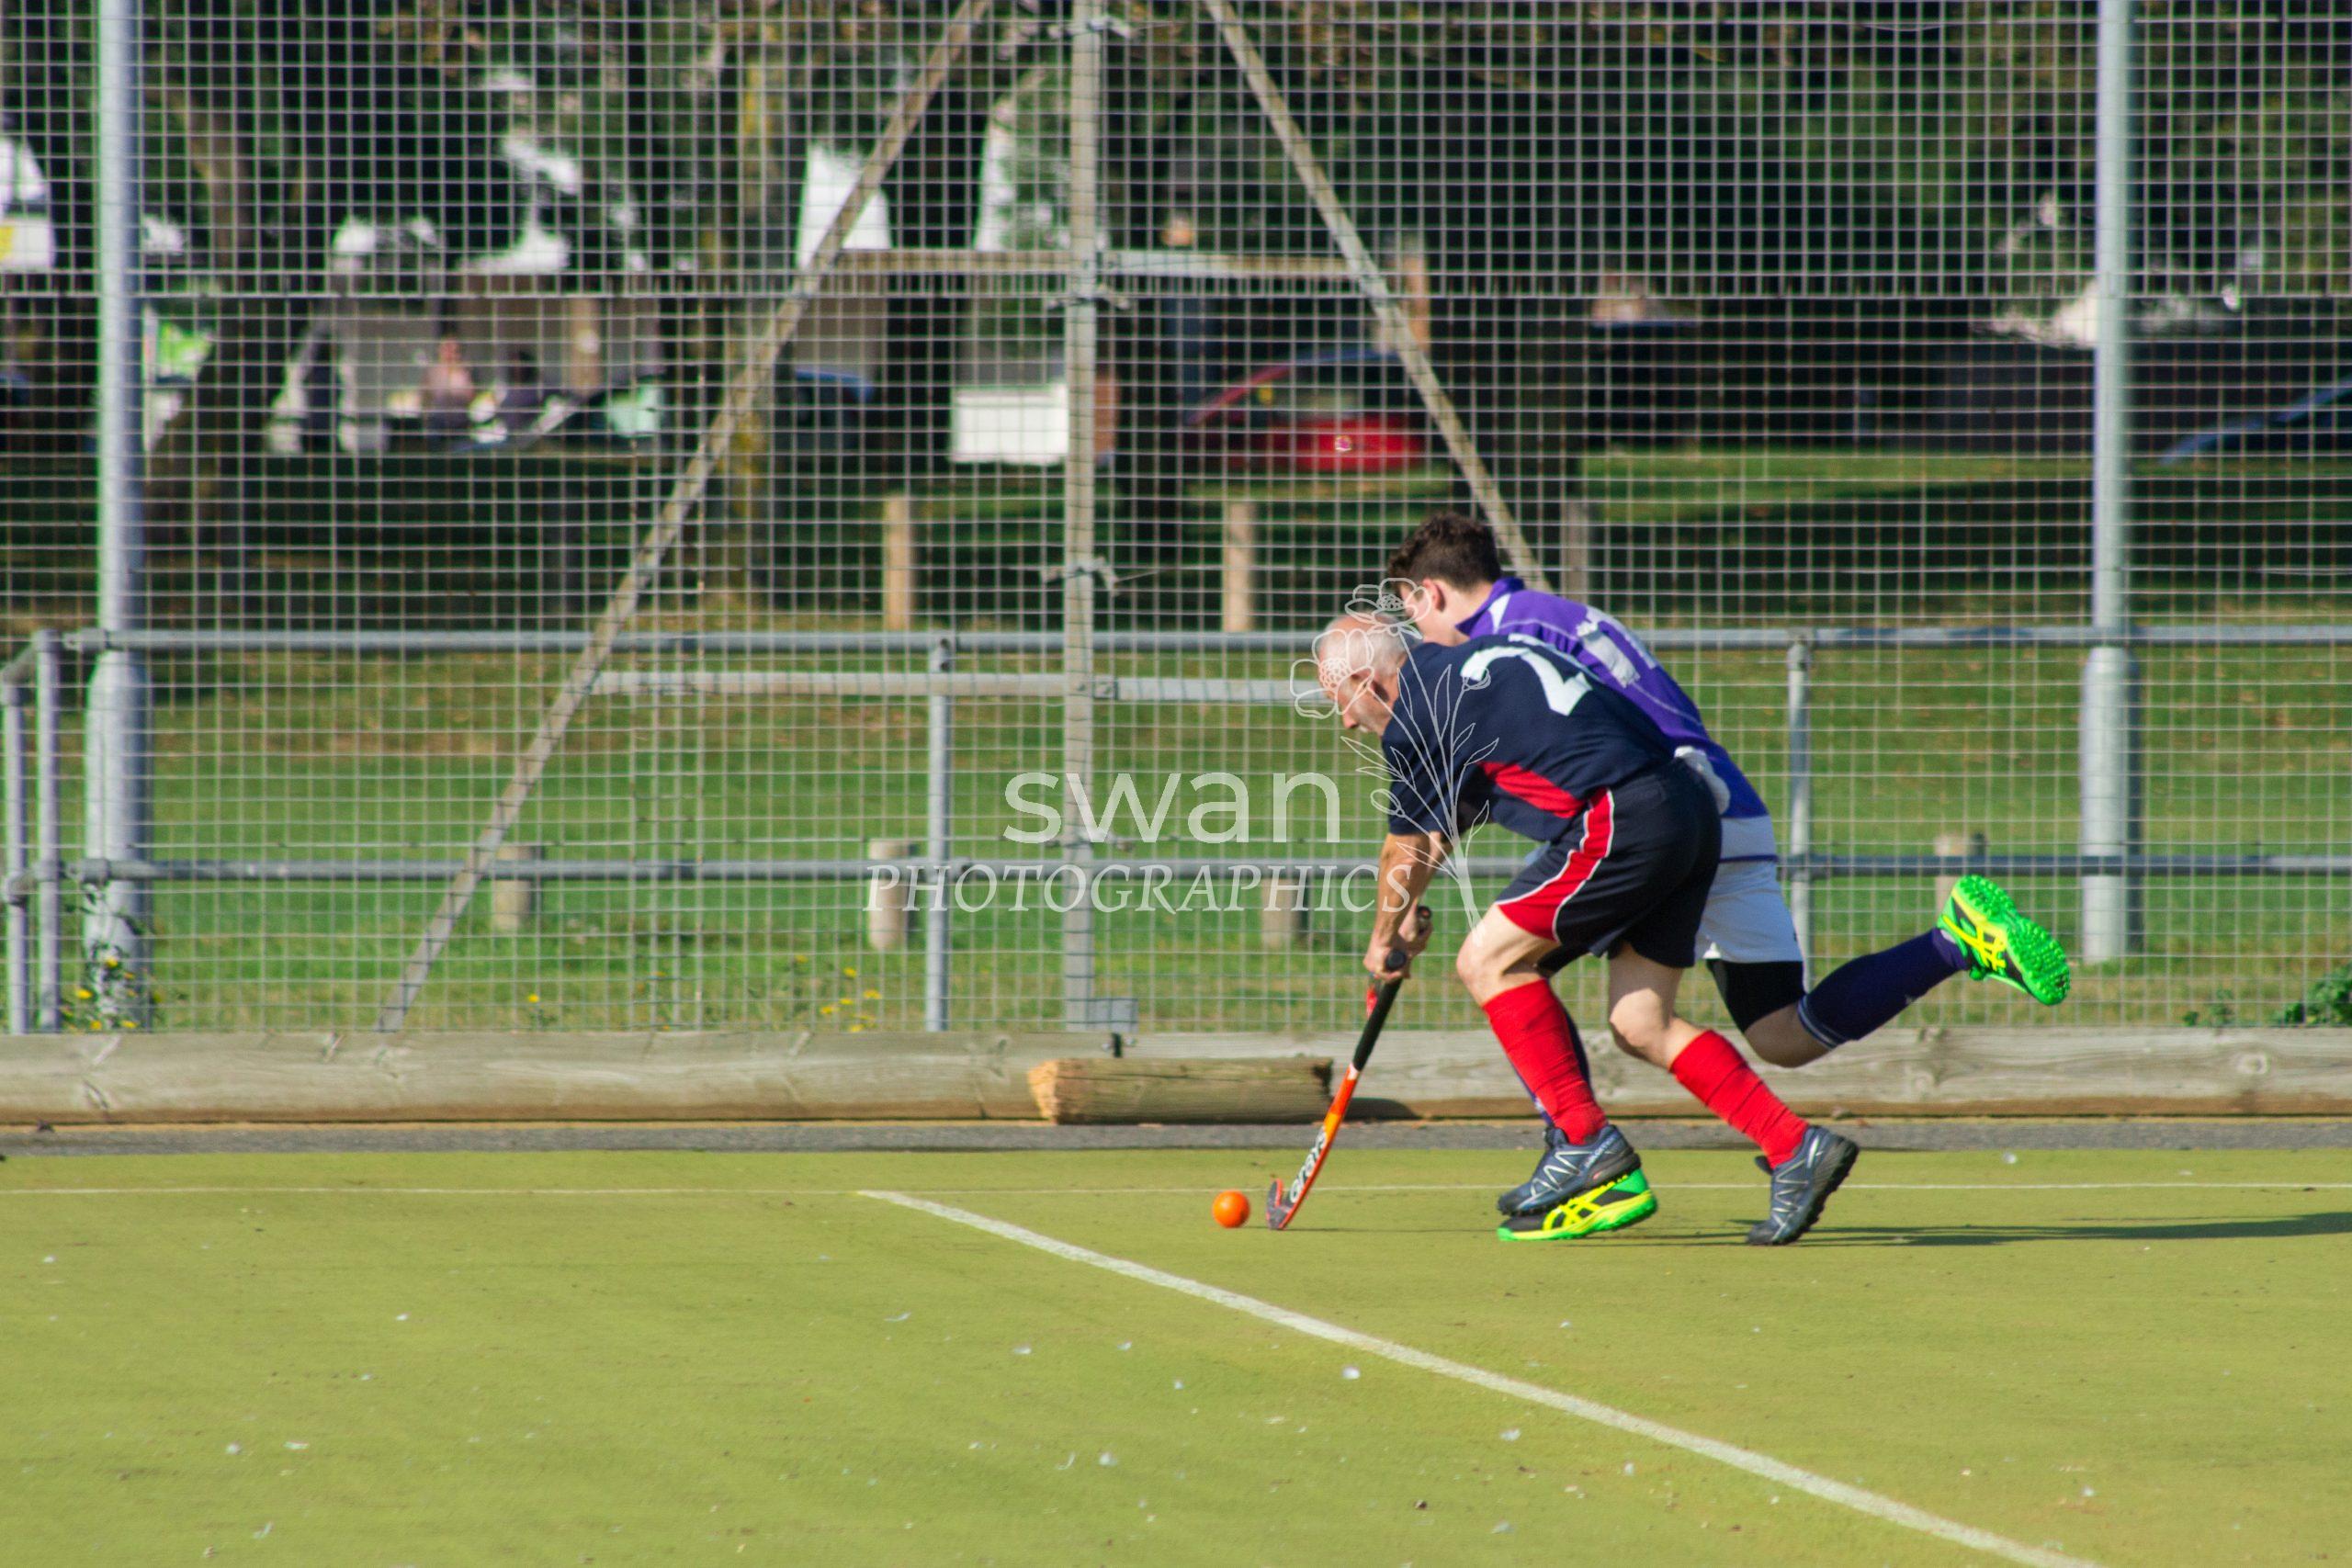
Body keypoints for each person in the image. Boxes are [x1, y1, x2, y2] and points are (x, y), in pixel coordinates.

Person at [1382, 511, 2071, 1217]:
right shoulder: (1547, 612)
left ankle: (1583, 1151)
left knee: (1504, 965)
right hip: (1717, 802)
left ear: (1431, 593)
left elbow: (1513, 760)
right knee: (1780, 1032)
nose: (1420, 640)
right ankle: (1955, 942)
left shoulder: (1501, 638)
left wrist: (1401, 905)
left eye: (1412, 615)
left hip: (1654, 814)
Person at [1315, 611, 1859, 1246]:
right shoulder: (1475, 665)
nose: (1347, 720)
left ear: (1368, 682)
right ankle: (1795, 1145)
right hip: (1687, 809)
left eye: (1339, 700)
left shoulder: (1414, 712)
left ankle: (1583, 1140)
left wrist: (1382, 939)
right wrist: (1406, 908)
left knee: (1487, 962)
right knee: (1641, 1023)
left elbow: (1404, 848)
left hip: (1620, 817)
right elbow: (1437, 829)